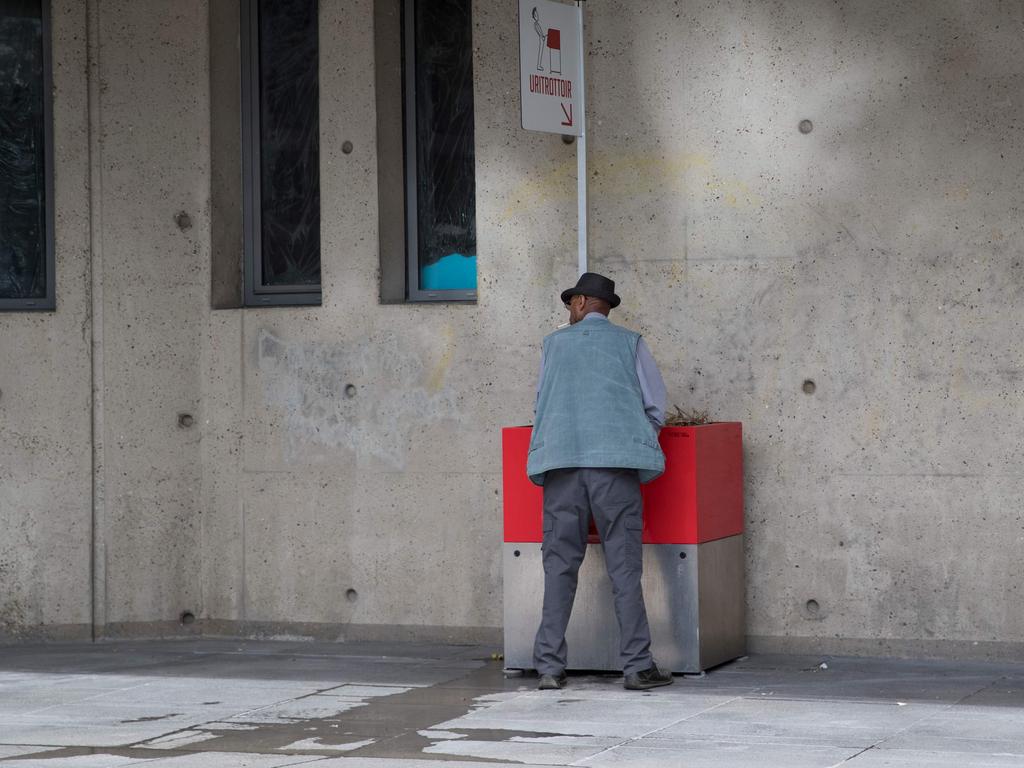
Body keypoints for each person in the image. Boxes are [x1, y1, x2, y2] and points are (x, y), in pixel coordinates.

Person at [527, 272, 674, 691]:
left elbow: (541, 403)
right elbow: (655, 407)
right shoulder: (631, 342)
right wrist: (627, 440)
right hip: (614, 469)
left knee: (559, 568)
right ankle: (636, 667)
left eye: (570, 303)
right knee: (625, 569)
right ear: (605, 307)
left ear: (579, 303)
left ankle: (550, 668)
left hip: (561, 468)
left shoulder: (553, 345)